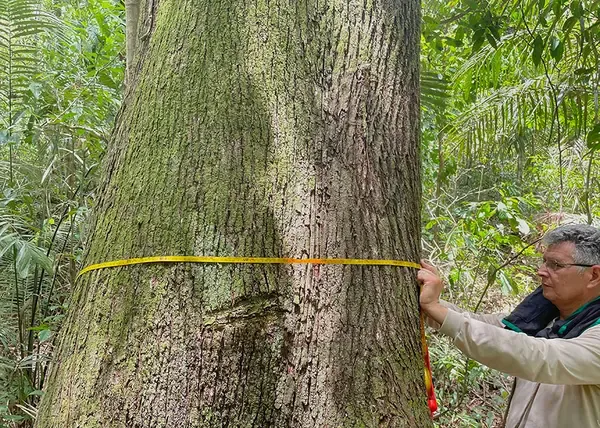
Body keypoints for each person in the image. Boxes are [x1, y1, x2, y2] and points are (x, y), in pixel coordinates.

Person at [418, 224, 600, 427]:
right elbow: (490, 328)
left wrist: (435, 308)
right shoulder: (544, 319)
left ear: (594, 276)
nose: (541, 271)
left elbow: (539, 356)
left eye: (555, 265)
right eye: (544, 262)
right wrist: (428, 305)